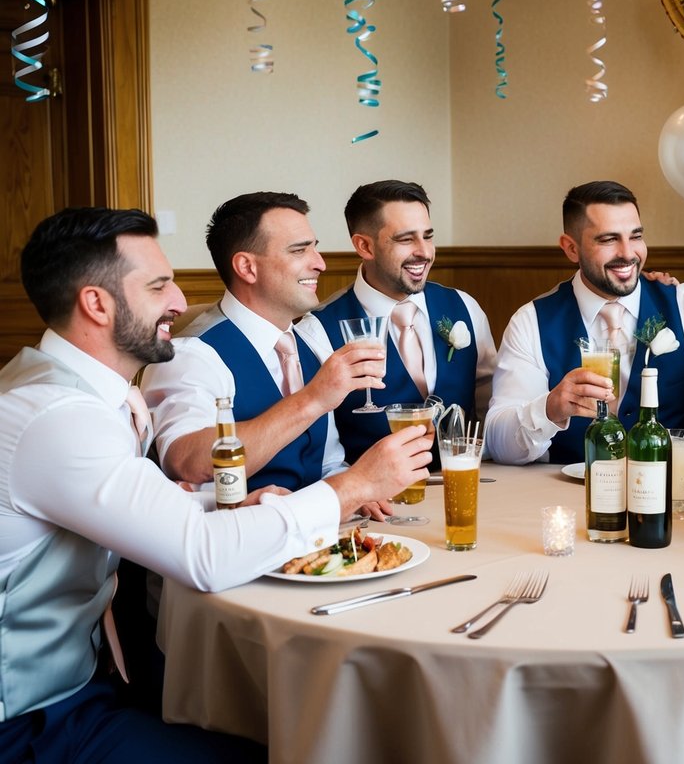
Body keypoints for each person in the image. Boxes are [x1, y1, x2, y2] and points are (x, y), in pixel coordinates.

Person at [0, 208, 431, 762]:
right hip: (33, 720)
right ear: (96, 303)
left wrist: (225, 501)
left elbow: (141, 497)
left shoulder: (62, 389)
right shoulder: (59, 416)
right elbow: (201, 554)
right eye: (158, 286)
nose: (179, 302)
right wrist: (350, 487)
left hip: (82, 687)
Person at [486, 180, 684, 464]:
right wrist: (549, 409)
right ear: (571, 248)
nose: (628, 253)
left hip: (668, 497)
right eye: (609, 239)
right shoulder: (531, 322)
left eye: (635, 236)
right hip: (567, 497)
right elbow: (500, 443)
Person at [140, 192, 382, 499]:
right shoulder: (190, 356)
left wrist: (356, 486)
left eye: (315, 249)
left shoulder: (308, 342)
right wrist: (313, 399)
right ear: (247, 267)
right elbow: (186, 462)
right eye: (299, 251)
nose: (320, 264)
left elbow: (327, 464)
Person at [297, 180, 496, 462]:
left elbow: (492, 409)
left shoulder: (464, 306)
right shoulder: (316, 330)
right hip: (376, 502)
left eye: (428, 236)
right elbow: (321, 451)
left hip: (465, 483)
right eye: (406, 239)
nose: (424, 252)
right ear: (364, 246)